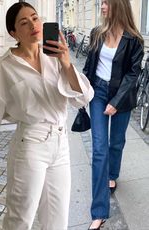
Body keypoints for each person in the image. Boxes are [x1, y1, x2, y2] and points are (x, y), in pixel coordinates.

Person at [0, 2, 94, 230]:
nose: (33, 24)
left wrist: (66, 63)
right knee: (20, 219)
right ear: (13, 33)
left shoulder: (54, 55)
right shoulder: (6, 67)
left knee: (58, 220)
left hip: (61, 146)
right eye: (24, 22)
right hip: (30, 146)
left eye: (35, 18)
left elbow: (83, 98)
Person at [83, 0, 144, 229]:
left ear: (118, 5)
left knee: (116, 143)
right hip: (97, 92)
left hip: (122, 96)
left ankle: (112, 174)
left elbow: (132, 74)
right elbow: (89, 66)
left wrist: (116, 102)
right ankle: (99, 211)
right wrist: (82, 90)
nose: (103, 6)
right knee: (100, 148)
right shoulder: (97, 33)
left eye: (106, 2)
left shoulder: (134, 39)